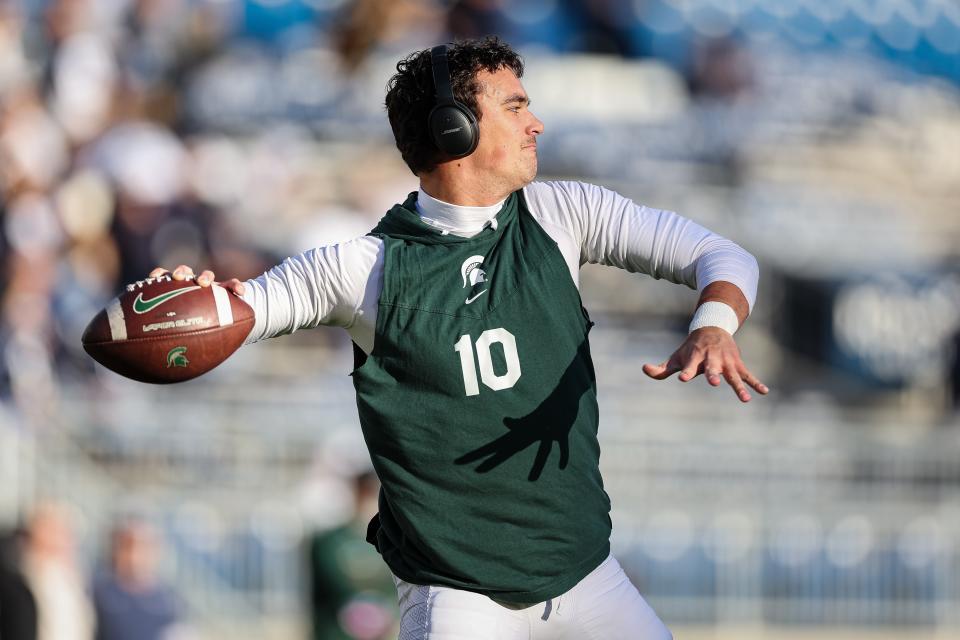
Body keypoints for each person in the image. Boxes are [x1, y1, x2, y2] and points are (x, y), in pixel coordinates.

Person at [152, 36, 767, 639]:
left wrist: (713, 326)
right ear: (455, 128)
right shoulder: (364, 269)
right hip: (456, 597)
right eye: (515, 106)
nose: (537, 124)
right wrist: (195, 304)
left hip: (586, 576)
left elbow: (722, 255)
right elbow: (243, 309)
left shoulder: (563, 214)